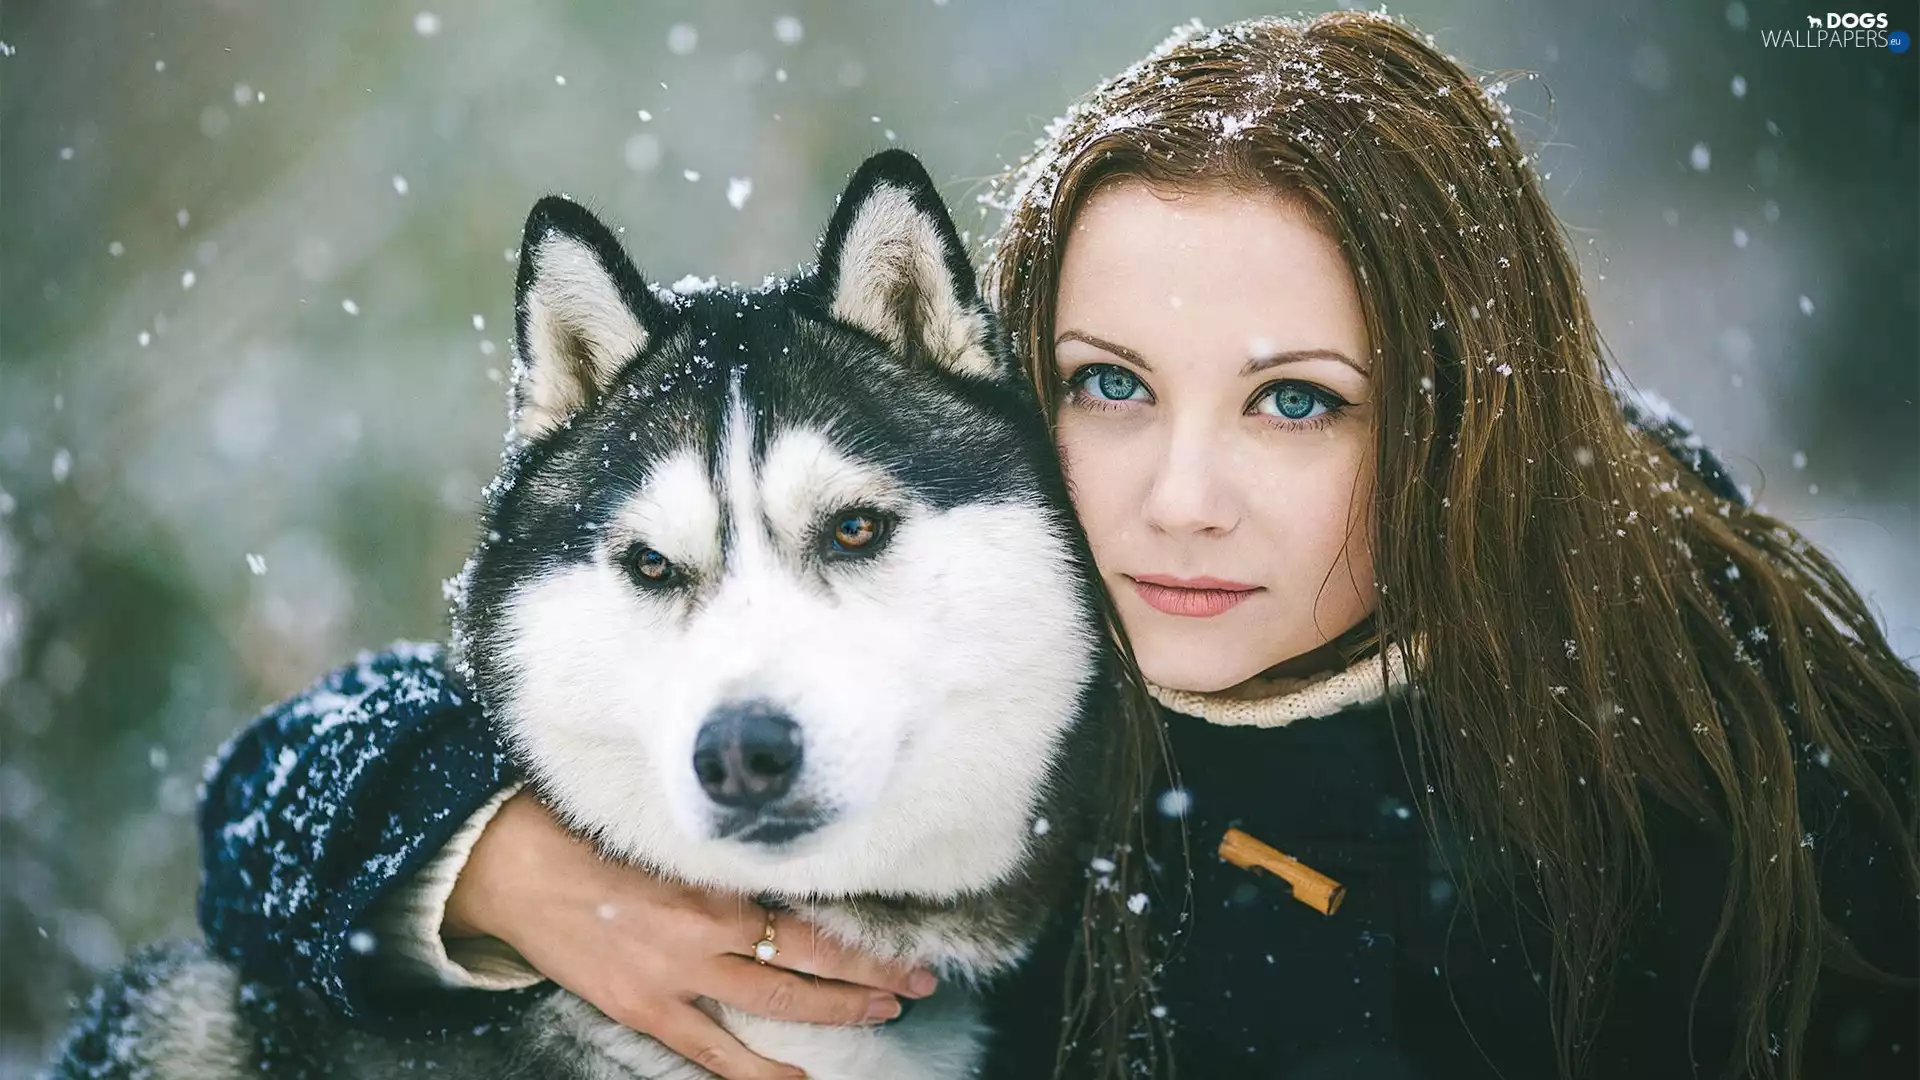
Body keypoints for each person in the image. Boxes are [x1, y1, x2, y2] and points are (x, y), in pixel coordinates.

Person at [191, 13, 1917, 1080]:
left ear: (1467, 413)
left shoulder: (1733, 747)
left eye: (1297, 402)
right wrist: (489, 862)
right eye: (1107, 384)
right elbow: (289, 774)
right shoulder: (1039, 661)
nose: (1179, 495)